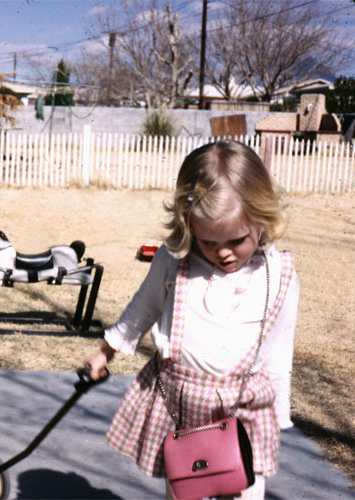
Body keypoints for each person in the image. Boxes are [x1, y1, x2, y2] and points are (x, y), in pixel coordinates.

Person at [85, 141, 299, 500]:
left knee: (246, 491)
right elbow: (143, 308)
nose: (223, 252)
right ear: (189, 227)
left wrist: (278, 415)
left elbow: (279, 351)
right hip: (184, 404)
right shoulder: (174, 261)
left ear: (262, 218)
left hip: (244, 408)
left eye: (237, 239)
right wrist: (105, 352)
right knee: (186, 491)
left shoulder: (278, 273)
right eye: (208, 241)